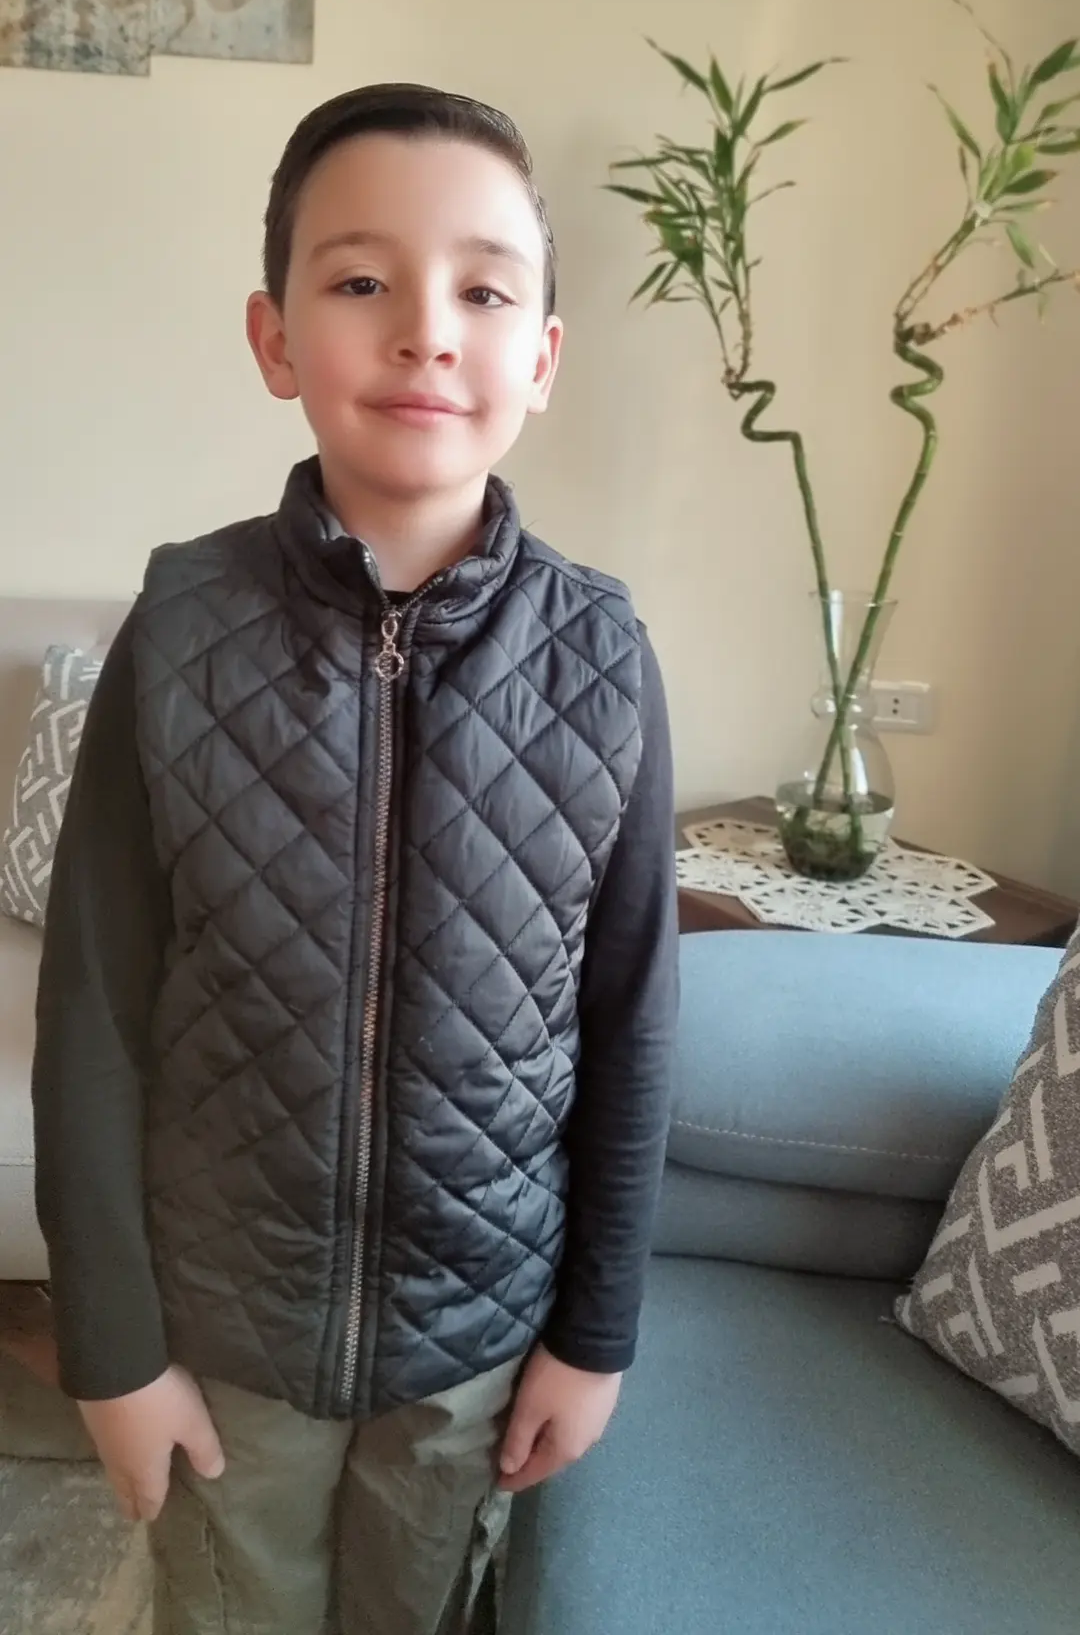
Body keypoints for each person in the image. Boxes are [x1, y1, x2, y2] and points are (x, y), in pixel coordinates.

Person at [32, 84, 680, 1635]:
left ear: (543, 357)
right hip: (225, 1337)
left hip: (475, 1349)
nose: (426, 333)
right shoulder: (180, 630)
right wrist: (113, 1349)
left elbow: (632, 1027)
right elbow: (93, 1014)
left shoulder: (605, 659)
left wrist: (593, 1335)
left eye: (484, 292)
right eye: (363, 280)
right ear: (275, 338)